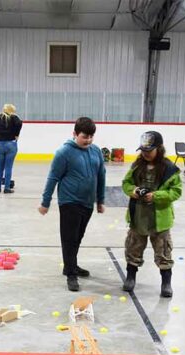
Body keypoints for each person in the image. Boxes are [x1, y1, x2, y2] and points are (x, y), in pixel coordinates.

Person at [38, 117, 106, 292]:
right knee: (69, 239)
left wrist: (100, 200)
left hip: (87, 202)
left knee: (78, 237)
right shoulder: (64, 153)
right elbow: (53, 178)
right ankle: (71, 274)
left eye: (91, 137)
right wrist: (45, 202)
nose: (88, 140)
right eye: (85, 136)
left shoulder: (96, 151)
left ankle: (71, 265)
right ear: (74, 133)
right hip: (69, 201)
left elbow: (101, 176)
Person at [121, 131, 182, 298]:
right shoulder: (136, 166)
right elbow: (126, 183)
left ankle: (166, 283)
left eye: (150, 150)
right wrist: (132, 191)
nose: (146, 154)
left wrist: (156, 196)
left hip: (160, 218)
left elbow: (176, 192)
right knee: (133, 247)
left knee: (163, 251)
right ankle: (130, 277)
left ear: (159, 148)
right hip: (138, 216)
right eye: (143, 150)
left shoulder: (170, 169)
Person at [0, 104, 22, 193]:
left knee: (0, 167)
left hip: (0, 144)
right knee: (8, 167)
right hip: (11, 144)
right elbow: (19, 123)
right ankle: (7, 188)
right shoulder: (14, 117)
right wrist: (17, 134)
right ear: (12, 111)